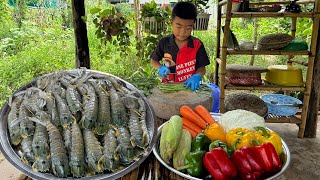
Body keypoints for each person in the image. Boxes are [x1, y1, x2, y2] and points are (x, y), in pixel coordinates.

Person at [150, 1, 210, 91]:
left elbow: (202, 68)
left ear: (193, 25)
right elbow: (153, 60)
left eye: (188, 28)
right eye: (178, 26)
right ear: (171, 23)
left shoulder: (197, 44)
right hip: (168, 87)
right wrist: (160, 68)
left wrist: (197, 76)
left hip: (189, 87)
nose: (182, 32)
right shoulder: (164, 42)